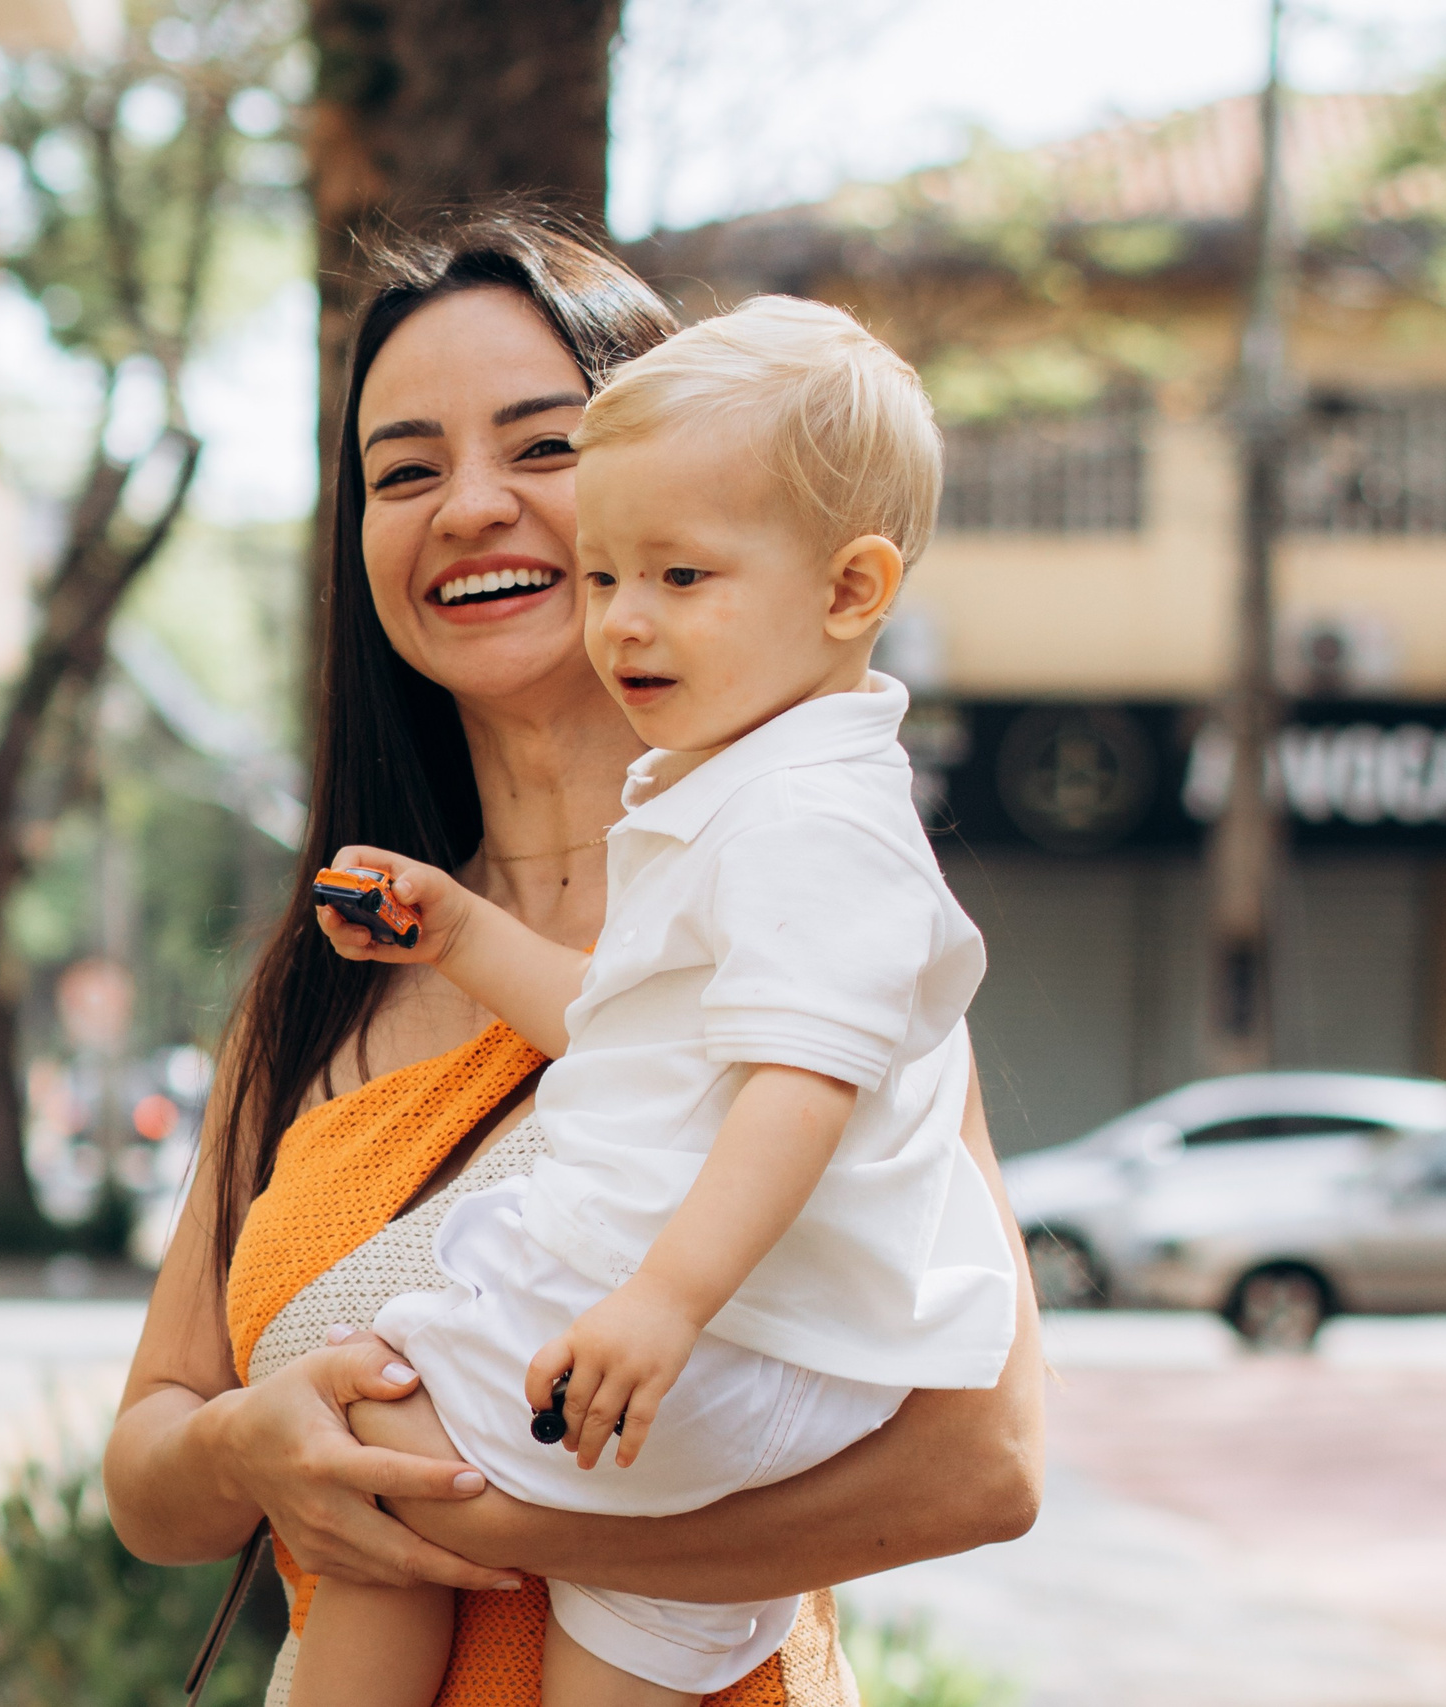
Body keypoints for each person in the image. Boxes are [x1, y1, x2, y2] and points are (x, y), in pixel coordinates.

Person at [101, 212, 1044, 1707]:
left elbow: (985, 1466)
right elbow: (152, 1468)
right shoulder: (327, 979)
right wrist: (246, 1450)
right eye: (404, 472)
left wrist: (486, 1516)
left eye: (544, 447)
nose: (471, 506)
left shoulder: (821, 927)